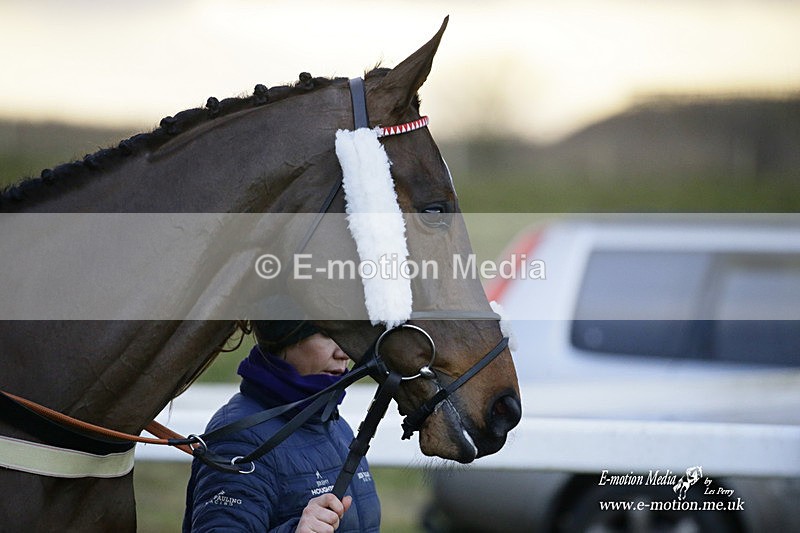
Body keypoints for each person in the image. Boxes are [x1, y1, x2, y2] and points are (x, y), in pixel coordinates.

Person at [183, 320, 381, 532]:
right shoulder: (239, 438)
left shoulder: (335, 424)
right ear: (283, 337)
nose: (344, 353)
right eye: (328, 335)